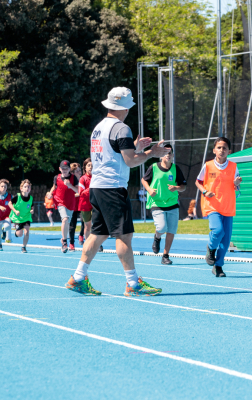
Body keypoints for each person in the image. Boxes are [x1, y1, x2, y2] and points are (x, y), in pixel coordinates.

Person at [65, 87, 170, 296]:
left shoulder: (99, 127)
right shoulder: (122, 128)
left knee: (97, 234)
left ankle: (77, 278)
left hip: (97, 187)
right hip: (113, 188)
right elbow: (129, 161)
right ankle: (133, 284)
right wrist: (151, 153)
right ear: (127, 108)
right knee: (124, 236)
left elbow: (115, 155)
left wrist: (136, 147)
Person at [195, 137, 242, 278]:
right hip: (212, 205)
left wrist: (237, 182)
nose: (222, 150)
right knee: (218, 231)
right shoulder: (208, 165)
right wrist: (204, 191)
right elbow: (198, 182)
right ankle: (210, 247)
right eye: (219, 147)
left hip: (228, 206)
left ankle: (218, 266)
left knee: (226, 240)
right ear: (214, 150)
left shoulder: (233, 166)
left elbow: (236, 185)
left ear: (229, 151)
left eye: (225, 148)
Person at [141, 144, 187, 265]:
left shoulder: (176, 169)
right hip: (157, 203)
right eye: (165, 152)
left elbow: (183, 186)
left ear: (172, 155)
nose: (168, 154)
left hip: (172, 203)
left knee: (171, 231)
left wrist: (176, 187)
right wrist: (149, 190)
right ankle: (157, 237)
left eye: (170, 152)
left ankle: (165, 255)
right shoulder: (154, 167)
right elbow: (144, 180)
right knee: (161, 228)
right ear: (161, 155)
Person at [51, 160, 79, 253]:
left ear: (69, 169)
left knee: (67, 223)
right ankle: (64, 241)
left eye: (66, 169)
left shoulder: (73, 178)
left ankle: (63, 239)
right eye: (63, 169)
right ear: (60, 169)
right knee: (65, 219)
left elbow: (78, 190)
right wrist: (50, 193)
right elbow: (54, 187)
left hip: (70, 204)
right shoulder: (57, 177)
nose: (64, 170)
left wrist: (70, 185)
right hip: (59, 202)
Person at [78, 158, 102, 250]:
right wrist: (92, 188)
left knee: (97, 224)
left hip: (96, 204)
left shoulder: (98, 177)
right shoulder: (82, 179)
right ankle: (87, 243)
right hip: (85, 205)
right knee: (87, 226)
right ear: (85, 168)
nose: (91, 167)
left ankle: (97, 244)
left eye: (92, 165)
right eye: (89, 165)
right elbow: (81, 192)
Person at [9, 179, 34, 253]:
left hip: (26, 217)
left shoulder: (31, 198)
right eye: (25, 187)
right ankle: (16, 231)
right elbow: (9, 203)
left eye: (28, 187)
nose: (27, 188)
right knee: (19, 234)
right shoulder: (17, 196)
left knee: (27, 232)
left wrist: (32, 210)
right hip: (17, 218)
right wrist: (15, 210)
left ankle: (24, 247)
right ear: (21, 188)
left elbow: (32, 206)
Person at [68, 162, 83, 251]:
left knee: (84, 220)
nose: (79, 172)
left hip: (81, 204)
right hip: (73, 205)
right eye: (77, 171)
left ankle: (81, 234)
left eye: (80, 170)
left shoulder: (83, 179)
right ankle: (71, 243)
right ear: (72, 173)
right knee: (72, 225)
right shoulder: (70, 181)